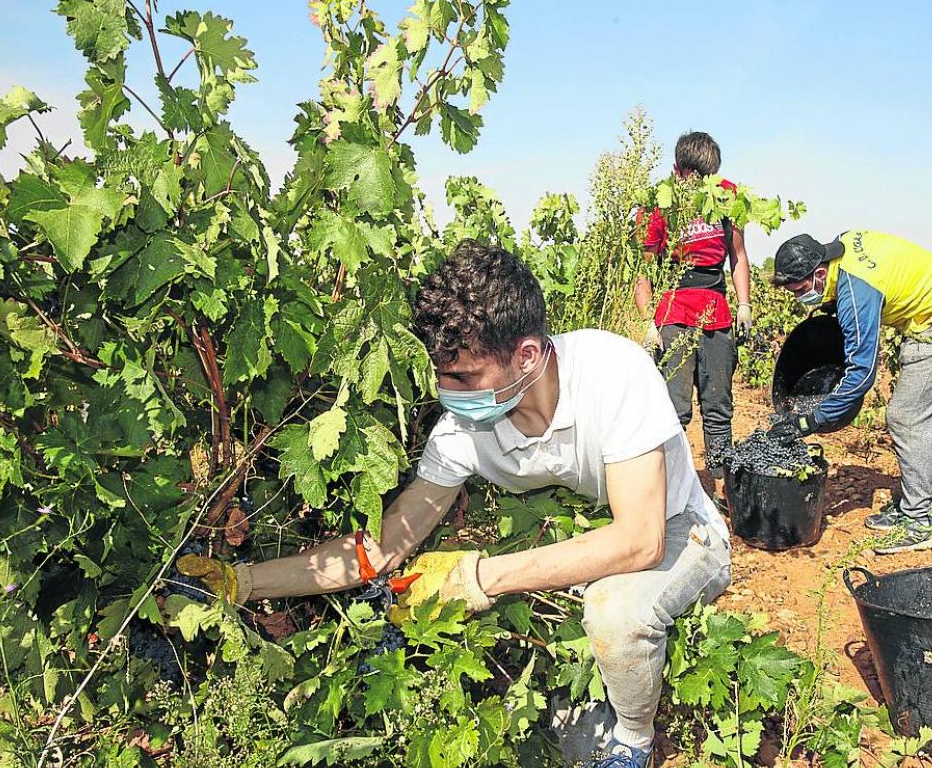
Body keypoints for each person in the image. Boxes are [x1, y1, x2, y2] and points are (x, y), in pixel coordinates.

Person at [180, 241, 731, 768]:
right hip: (600, 520)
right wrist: (247, 582)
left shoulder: (614, 371)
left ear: (528, 355)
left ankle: (635, 738)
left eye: (463, 376)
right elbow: (383, 546)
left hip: (680, 525)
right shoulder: (461, 431)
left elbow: (640, 537)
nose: (448, 390)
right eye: (440, 374)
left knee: (615, 611)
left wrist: (480, 578)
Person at [766, 231, 932, 554]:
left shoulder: (856, 290)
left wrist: (809, 421)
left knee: (906, 416)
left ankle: (918, 520)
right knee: (926, 413)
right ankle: (916, 503)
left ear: (818, 273)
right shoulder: (841, 252)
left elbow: (862, 375)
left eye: (801, 290)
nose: (800, 298)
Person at [634, 131, 753, 471]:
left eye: (707, 178)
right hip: (674, 312)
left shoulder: (727, 197)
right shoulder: (659, 204)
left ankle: (719, 486)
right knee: (675, 410)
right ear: (677, 170)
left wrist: (744, 305)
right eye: (693, 177)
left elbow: (739, 256)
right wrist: (648, 323)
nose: (701, 184)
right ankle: (674, 491)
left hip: (716, 311)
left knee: (718, 407)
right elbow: (641, 270)